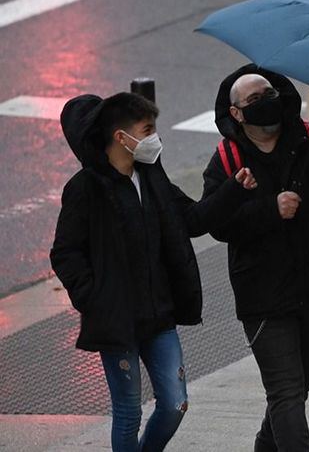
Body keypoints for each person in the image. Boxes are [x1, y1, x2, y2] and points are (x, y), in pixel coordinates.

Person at [50, 92, 257, 452]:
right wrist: (94, 298)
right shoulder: (85, 189)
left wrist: (234, 191)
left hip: (159, 315)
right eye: (146, 130)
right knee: (128, 414)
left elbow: (191, 219)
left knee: (175, 404)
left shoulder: (151, 178)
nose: (153, 138)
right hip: (117, 321)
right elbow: (65, 253)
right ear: (120, 137)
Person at [202, 64, 309, 451]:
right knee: (286, 392)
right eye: (254, 100)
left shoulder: (306, 137)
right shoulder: (226, 158)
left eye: (270, 94)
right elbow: (216, 222)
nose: (266, 103)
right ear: (236, 113)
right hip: (263, 296)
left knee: (298, 388)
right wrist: (269, 210)